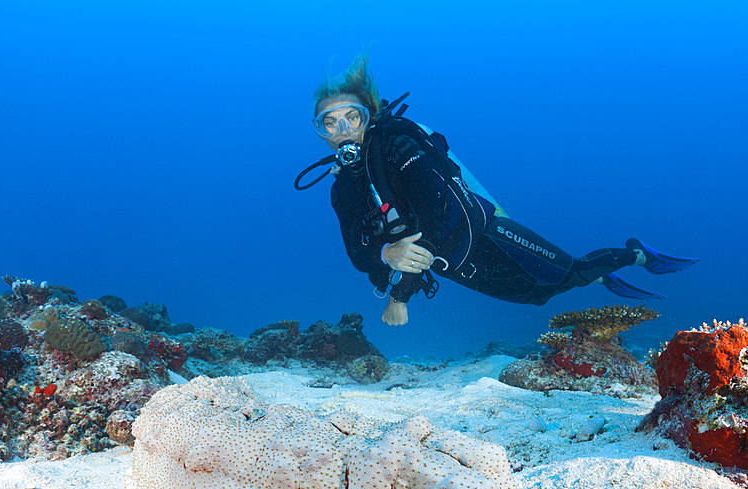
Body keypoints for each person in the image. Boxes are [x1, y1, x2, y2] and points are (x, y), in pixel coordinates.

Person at [298, 54, 698, 326]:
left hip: (487, 234)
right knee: (535, 296)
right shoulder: (342, 189)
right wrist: (385, 253)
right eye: (328, 123)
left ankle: (639, 254)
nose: (343, 130)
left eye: (353, 116)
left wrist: (400, 296)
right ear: (320, 132)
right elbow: (357, 251)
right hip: (452, 264)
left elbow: (433, 221)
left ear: (370, 116)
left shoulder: (400, 145)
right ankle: (596, 278)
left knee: (571, 272)